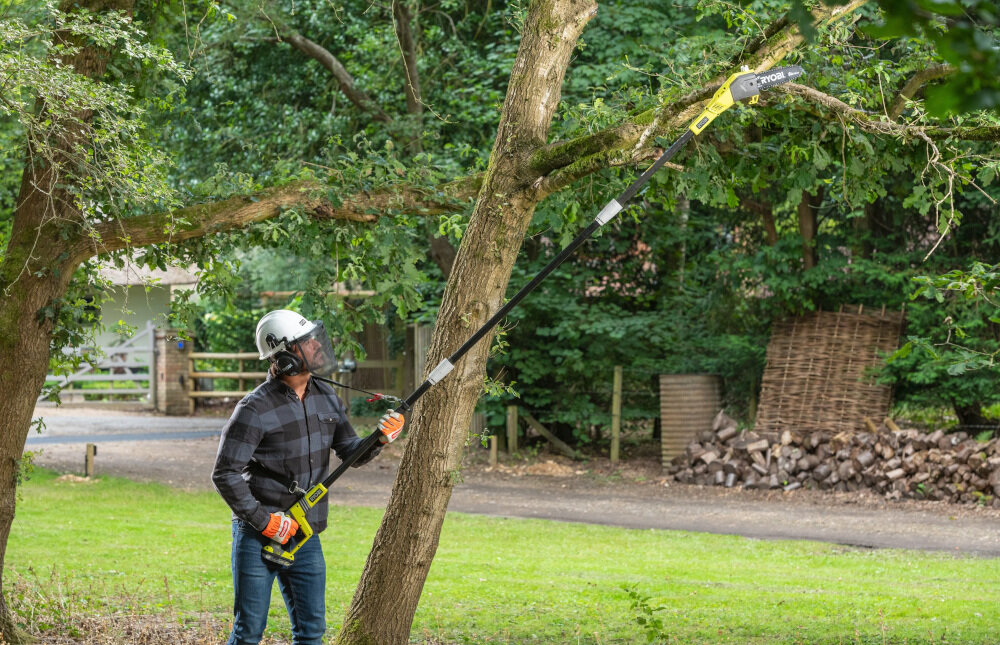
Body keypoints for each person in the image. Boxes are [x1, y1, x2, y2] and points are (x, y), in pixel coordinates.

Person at [212, 309, 404, 645]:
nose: (317, 345)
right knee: (248, 633)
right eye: (305, 342)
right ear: (284, 357)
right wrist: (263, 520)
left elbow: (350, 453)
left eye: (314, 338)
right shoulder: (253, 409)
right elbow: (224, 473)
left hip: (305, 534)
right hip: (258, 535)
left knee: (312, 632)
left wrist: (380, 438)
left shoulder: (327, 397)